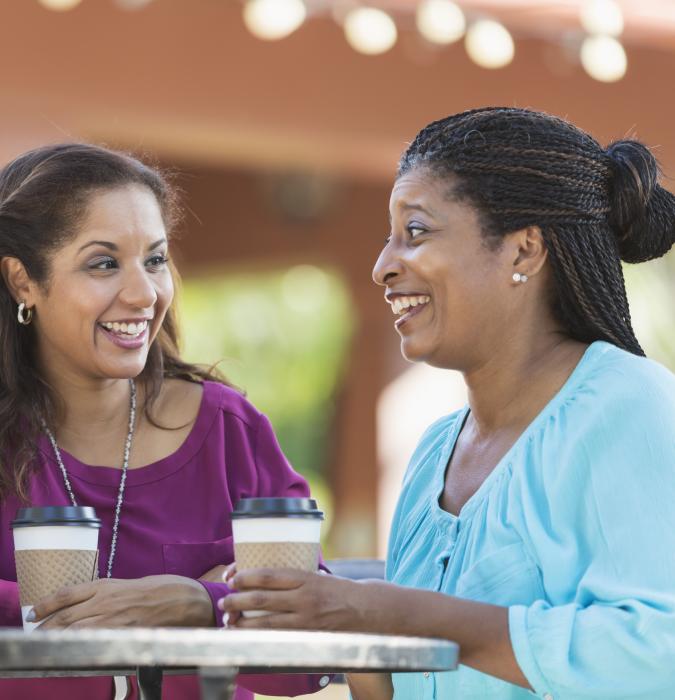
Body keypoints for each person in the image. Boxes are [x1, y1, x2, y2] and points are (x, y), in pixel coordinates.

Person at [219, 107, 675, 699]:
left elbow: (655, 653)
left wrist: (390, 609)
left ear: (523, 251)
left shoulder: (629, 405)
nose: (383, 266)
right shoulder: (436, 451)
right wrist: (332, 616)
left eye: (416, 232)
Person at [0, 143, 328, 700]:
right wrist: (111, 613)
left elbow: (308, 649)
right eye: (104, 263)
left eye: (154, 259)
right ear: (22, 281)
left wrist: (199, 604)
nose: (144, 293)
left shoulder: (229, 430)